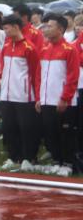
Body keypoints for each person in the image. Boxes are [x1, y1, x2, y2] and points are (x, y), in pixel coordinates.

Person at [36, 13, 80, 175]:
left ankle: (68, 163)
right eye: (45, 26)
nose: (45, 29)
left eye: (50, 26)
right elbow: (40, 76)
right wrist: (39, 98)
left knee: (66, 134)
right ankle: (57, 160)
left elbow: (72, 77)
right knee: (50, 132)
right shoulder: (44, 49)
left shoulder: (70, 49)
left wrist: (65, 98)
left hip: (63, 101)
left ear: (60, 29)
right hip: (46, 100)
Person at [0, 15, 41, 170]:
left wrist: (38, 96)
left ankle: (29, 158)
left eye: (6, 28)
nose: (5, 31)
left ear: (16, 27)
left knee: (26, 128)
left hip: (24, 96)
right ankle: (14, 156)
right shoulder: (6, 46)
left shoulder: (29, 48)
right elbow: (3, 67)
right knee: (9, 127)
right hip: (7, 95)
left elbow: (36, 73)